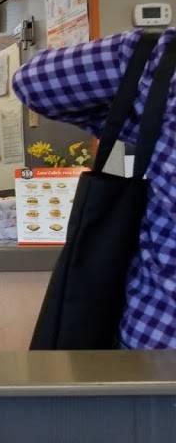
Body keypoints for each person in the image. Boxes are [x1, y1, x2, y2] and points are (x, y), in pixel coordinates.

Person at [13, 27, 176, 349]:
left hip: (151, 345)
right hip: (150, 353)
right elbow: (32, 83)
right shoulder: (161, 62)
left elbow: (33, 83)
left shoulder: (162, 64)